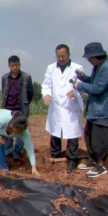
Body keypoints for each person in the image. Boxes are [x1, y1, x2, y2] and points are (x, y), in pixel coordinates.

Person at [74, 43, 108, 179]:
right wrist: (82, 77)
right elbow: (92, 81)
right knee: (89, 136)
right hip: (95, 111)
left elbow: (98, 88)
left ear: (96, 56)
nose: (88, 60)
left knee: (100, 140)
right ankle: (92, 160)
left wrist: (79, 85)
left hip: (104, 111)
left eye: (89, 58)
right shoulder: (98, 67)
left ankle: (100, 165)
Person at [42, 44, 85, 174]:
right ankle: (55, 154)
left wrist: (74, 91)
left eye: (63, 56)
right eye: (58, 56)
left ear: (68, 55)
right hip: (56, 105)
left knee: (72, 133)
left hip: (70, 106)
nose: (60, 58)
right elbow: (46, 84)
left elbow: (83, 84)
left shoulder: (77, 68)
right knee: (55, 130)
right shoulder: (51, 68)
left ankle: (72, 159)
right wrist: (47, 94)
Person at [0, 110, 41, 177]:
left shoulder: (23, 131)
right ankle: (3, 169)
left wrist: (33, 167)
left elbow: (29, 147)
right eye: (17, 131)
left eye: (20, 132)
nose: (18, 133)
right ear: (11, 125)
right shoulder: (2, 120)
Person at [1, 55, 34, 160]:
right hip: (8, 109)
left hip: (20, 109)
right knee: (8, 130)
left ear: (20, 65)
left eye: (16, 65)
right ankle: (8, 151)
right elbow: (4, 92)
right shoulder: (5, 78)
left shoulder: (26, 77)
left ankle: (17, 153)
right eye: (12, 65)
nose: (14, 68)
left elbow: (30, 93)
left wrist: (25, 103)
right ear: (9, 66)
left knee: (20, 131)